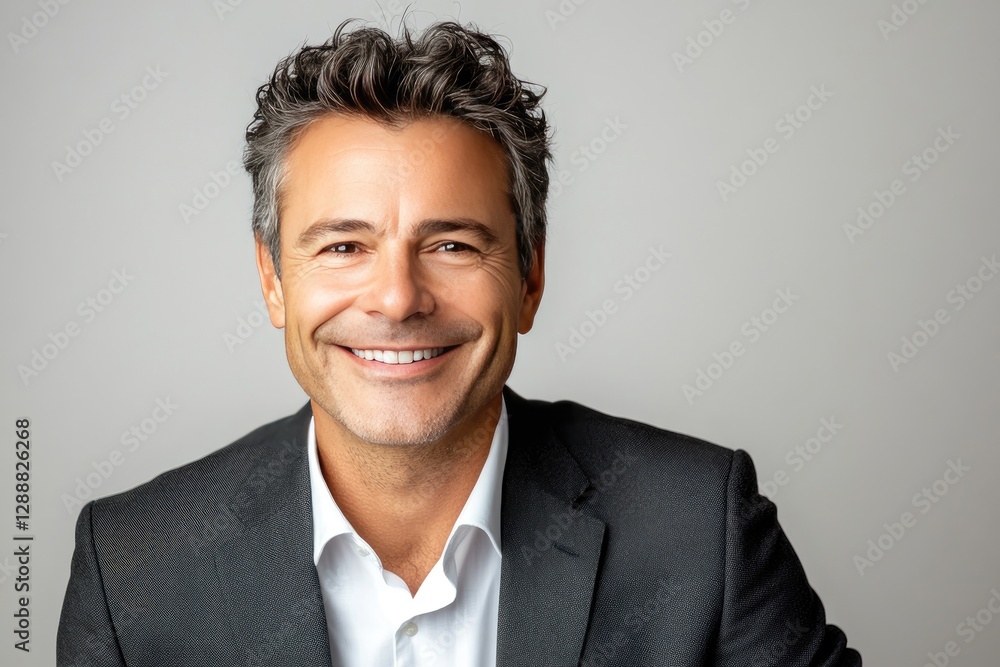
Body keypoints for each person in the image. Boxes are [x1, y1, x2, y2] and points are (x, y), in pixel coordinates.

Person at [57, 18, 862, 666]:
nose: (398, 298)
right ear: (273, 279)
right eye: (344, 245)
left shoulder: (701, 530)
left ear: (530, 276)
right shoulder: (131, 569)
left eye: (452, 244)